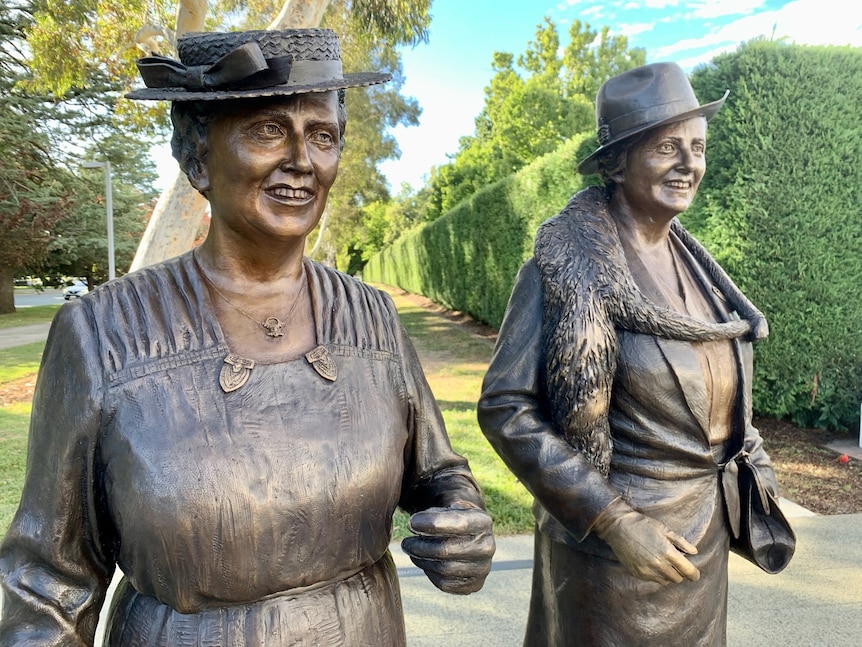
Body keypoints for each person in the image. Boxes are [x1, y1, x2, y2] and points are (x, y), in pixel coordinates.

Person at [0, 28, 494, 646]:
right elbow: (47, 582)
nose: (303, 161)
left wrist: (463, 521)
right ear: (198, 157)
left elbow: (439, 472)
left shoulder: (372, 319)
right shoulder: (101, 335)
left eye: (322, 136)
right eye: (267, 131)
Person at [477, 62, 780, 646]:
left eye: (698, 147)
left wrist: (753, 467)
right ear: (617, 163)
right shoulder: (562, 270)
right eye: (668, 146)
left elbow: (722, 404)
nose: (689, 163)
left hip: (700, 547)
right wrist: (614, 521)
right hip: (613, 558)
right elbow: (506, 408)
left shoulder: (704, 274)